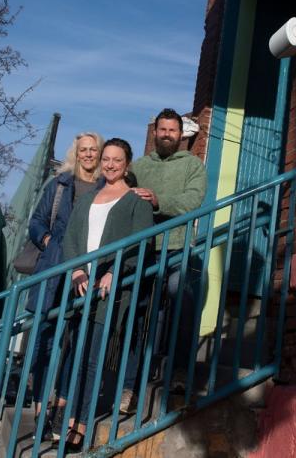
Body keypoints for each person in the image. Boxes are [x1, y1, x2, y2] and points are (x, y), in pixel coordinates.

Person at [60, 138, 153, 450]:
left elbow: (143, 244)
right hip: (80, 287)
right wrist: (76, 270)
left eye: (117, 160)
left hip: (108, 292)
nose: (110, 165)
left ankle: (82, 423)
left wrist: (117, 270)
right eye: (106, 159)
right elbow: (71, 237)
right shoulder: (88, 198)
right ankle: (68, 417)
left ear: (127, 164)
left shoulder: (135, 201)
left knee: (92, 359)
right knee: (75, 355)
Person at [25, 132, 103, 440]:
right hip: (53, 270)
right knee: (44, 340)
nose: (88, 155)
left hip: (86, 271)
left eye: (93, 150)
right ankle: (40, 410)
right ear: (76, 153)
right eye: (83, 150)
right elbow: (36, 222)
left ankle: (60, 409)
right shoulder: (59, 185)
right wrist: (47, 242)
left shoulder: (104, 188)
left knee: (76, 341)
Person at [128, 108, 206, 402]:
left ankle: (180, 372)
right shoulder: (138, 167)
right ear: (155, 132)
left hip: (176, 247)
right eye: (163, 130)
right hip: (143, 249)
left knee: (182, 304)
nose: (167, 135)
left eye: (173, 130)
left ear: (181, 134)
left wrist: (159, 200)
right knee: (139, 313)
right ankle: (130, 383)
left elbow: (192, 201)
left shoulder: (192, 166)